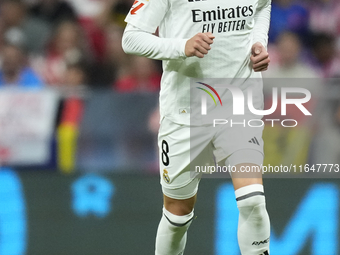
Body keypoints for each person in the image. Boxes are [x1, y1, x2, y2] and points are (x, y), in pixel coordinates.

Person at [122, 0, 271, 253]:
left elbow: (262, 6)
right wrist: (182, 46)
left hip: (238, 102)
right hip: (185, 112)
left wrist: (258, 42)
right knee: (178, 215)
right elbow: (131, 39)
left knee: (253, 201)